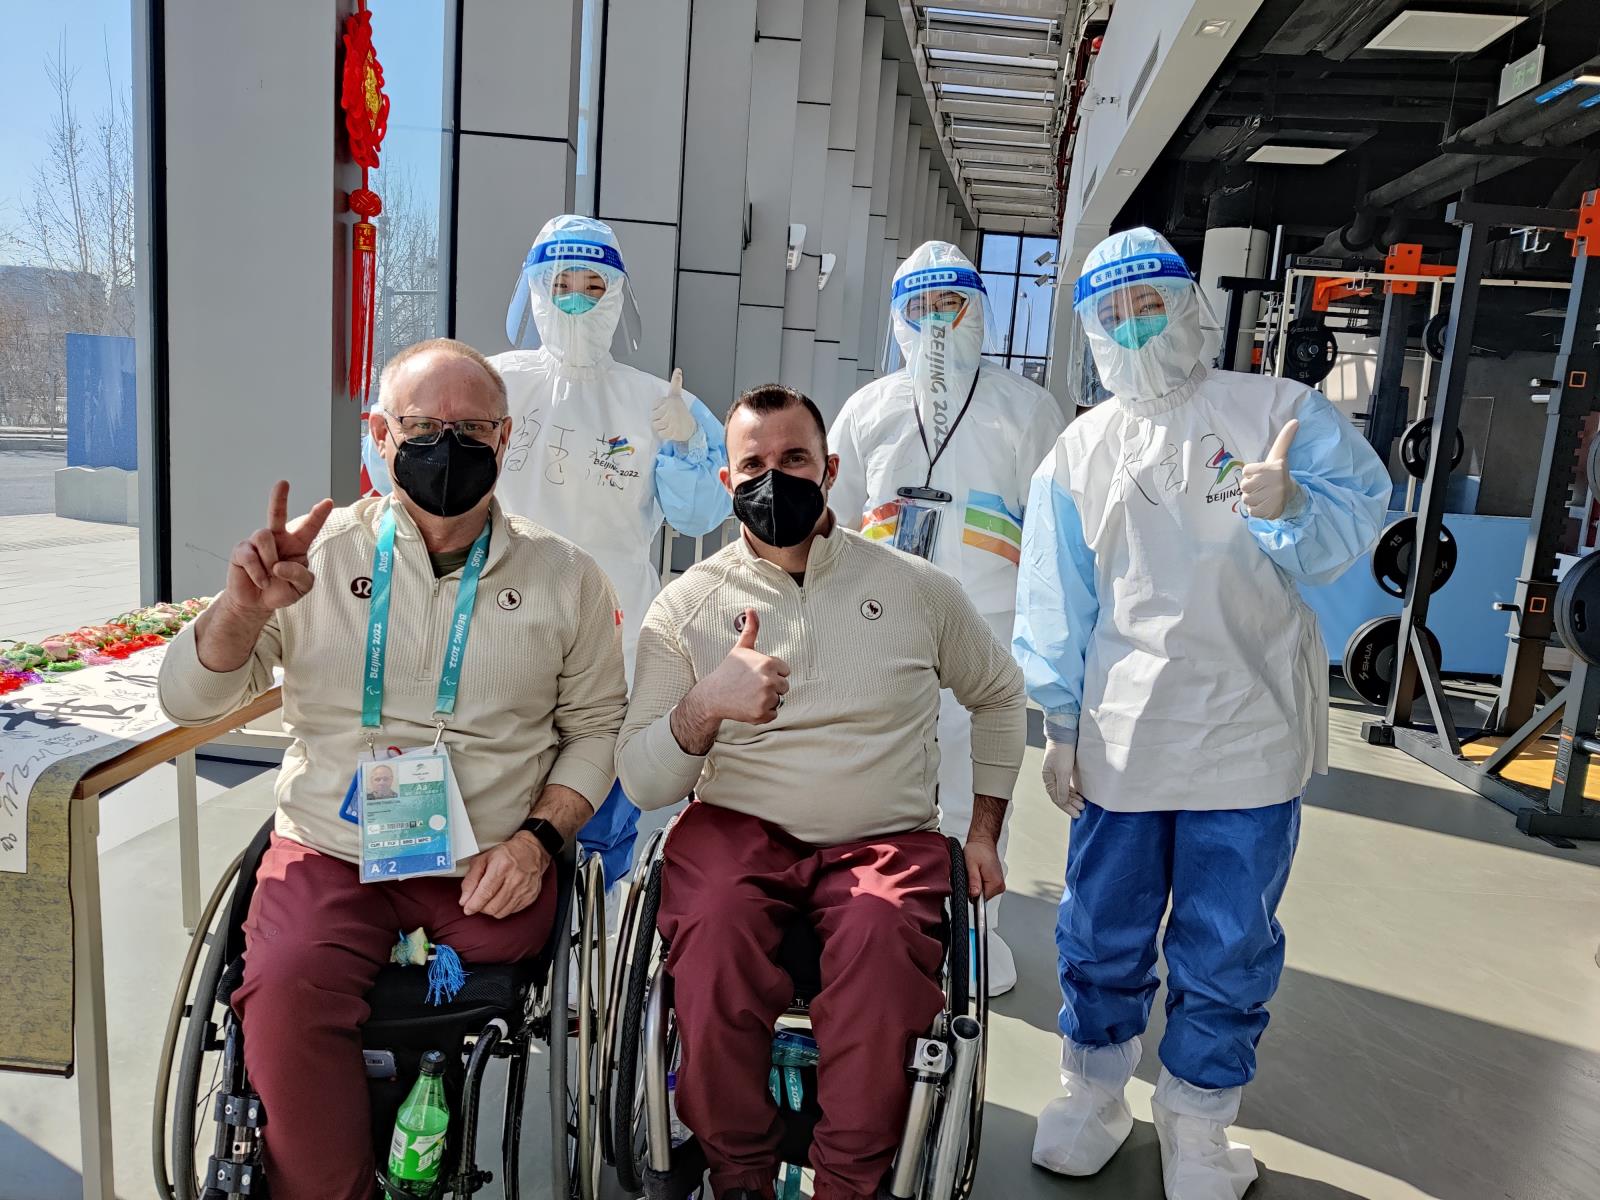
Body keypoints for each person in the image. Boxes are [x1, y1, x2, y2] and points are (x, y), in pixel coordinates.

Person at [158, 338, 628, 1200]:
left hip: (484, 866)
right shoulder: (313, 559)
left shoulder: (566, 578)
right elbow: (190, 700)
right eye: (420, 427)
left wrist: (536, 842)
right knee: (284, 987)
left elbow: (597, 730)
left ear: (506, 438)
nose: (447, 446)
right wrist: (240, 610)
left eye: (472, 429)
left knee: (508, 939)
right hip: (333, 848)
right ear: (379, 434)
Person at [1014, 228, 1390, 1199]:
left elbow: (1349, 527)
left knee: (1228, 940)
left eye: (1151, 304)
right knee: (1102, 929)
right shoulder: (1079, 450)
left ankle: (1198, 1122)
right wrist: (1059, 725)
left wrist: (1291, 505)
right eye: (1114, 314)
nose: (1136, 327)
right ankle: (1093, 1093)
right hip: (1124, 736)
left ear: (1190, 304)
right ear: (1091, 330)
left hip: (1246, 734)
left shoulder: (1276, 411)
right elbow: (1057, 603)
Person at [617, 384, 1025, 1200]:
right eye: (754, 466)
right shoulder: (687, 607)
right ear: (727, 482)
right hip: (738, 830)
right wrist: (707, 705)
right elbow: (643, 776)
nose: (774, 480)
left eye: (795, 459)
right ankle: (737, 1175)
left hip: (884, 838)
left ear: (831, 469)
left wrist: (983, 833)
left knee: (881, 939)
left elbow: (1000, 696)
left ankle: (849, 1183)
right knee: (713, 932)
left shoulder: (918, 589)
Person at [830, 240, 1064, 996]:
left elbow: (1054, 538)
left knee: (974, 788)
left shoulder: (1025, 409)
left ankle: (974, 936)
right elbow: (833, 521)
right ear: (898, 317)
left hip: (987, 631)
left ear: (979, 311)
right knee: (874, 782)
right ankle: (874, 927)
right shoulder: (868, 410)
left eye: (950, 304)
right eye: (920, 307)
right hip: (881, 630)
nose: (935, 321)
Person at [490, 213, 733, 886]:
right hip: (500, 628)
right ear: (533, 289)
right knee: (497, 790)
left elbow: (700, 511)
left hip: (615, 634)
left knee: (600, 792)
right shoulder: (493, 384)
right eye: (560, 284)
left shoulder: (657, 402)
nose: (575, 300)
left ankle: (595, 909)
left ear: (618, 293)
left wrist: (687, 446)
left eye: (592, 285)